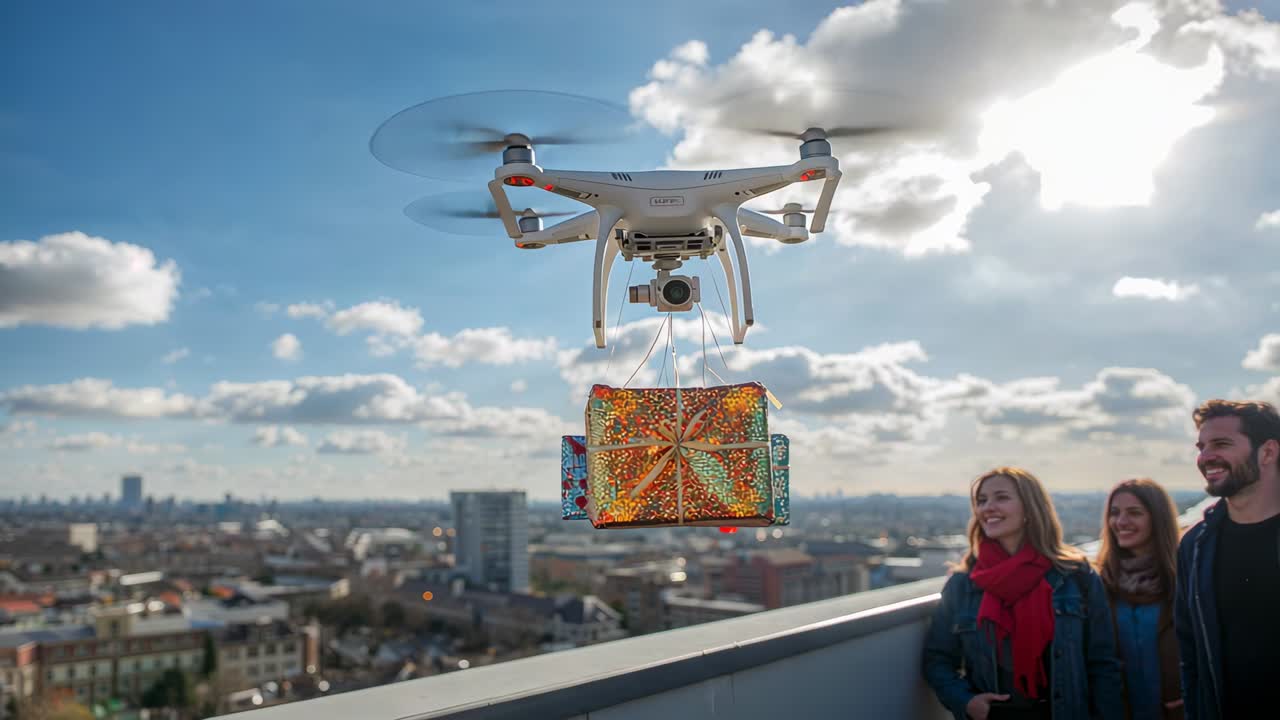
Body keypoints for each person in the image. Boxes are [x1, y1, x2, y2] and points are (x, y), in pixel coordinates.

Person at [923, 467, 1123, 720]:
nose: (988, 507)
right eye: (982, 501)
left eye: (1001, 497)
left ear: (1030, 508)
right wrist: (967, 702)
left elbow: (1103, 664)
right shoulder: (963, 584)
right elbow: (937, 659)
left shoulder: (1075, 576)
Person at [1176, 399, 1280, 720]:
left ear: (1267, 452)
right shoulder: (1195, 546)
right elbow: (1191, 656)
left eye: (1221, 444)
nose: (1205, 456)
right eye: (1202, 446)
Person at [1095, 479, 1184, 719]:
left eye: (1134, 513)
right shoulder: (1098, 584)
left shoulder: (1186, 578)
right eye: (1114, 513)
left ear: (1158, 518)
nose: (1121, 522)